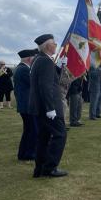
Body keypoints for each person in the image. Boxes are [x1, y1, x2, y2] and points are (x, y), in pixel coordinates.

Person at [29, 34, 68, 178]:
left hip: (39, 106)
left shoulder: (39, 59)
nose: (56, 45)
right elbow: (45, 86)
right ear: (47, 46)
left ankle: (39, 169)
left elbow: (48, 79)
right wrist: (50, 108)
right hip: (48, 107)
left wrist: (58, 66)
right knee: (60, 135)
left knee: (44, 138)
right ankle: (50, 168)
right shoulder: (44, 61)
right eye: (54, 43)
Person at [13, 49, 38, 161]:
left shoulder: (21, 68)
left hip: (25, 104)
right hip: (27, 105)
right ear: (29, 58)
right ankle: (29, 153)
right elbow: (34, 83)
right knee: (32, 130)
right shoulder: (24, 69)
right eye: (34, 57)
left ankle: (23, 154)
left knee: (28, 130)